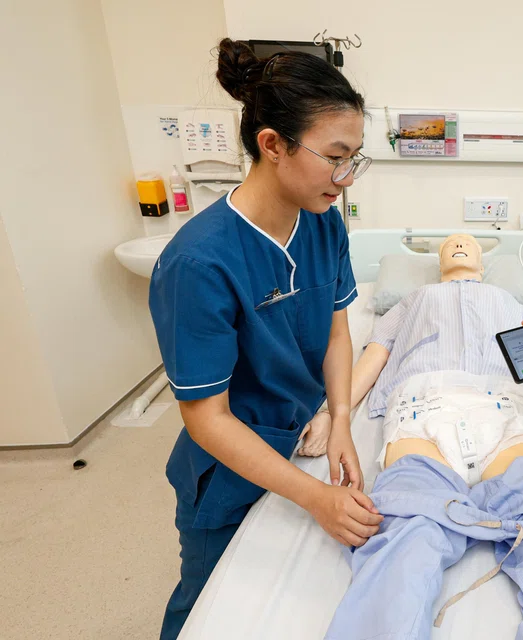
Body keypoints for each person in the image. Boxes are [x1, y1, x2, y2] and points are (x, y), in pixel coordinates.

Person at [149, 39, 382, 639]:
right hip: (228, 466)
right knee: (208, 609)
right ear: (272, 144)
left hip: (297, 437)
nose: (345, 178)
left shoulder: (324, 223)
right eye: (334, 157)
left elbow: (336, 328)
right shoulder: (200, 262)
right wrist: (315, 497)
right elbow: (207, 418)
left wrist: (340, 418)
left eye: (355, 157)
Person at [302, 234, 523, 639]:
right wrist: (333, 415)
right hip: (423, 409)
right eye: (449, 244)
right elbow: (373, 358)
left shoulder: (513, 303)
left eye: (467, 243)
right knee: (407, 539)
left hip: (506, 408)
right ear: (438, 263)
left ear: (482, 263)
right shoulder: (410, 301)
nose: (458, 244)